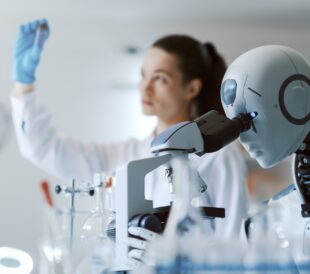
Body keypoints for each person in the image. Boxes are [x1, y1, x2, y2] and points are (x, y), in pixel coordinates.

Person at [11, 19, 248, 239]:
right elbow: (45, 149)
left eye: (160, 79)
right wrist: (24, 86)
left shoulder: (218, 158)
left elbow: (233, 244)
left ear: (191, 89)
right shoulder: (126, 156)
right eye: (143, 76)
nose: (145, 88)